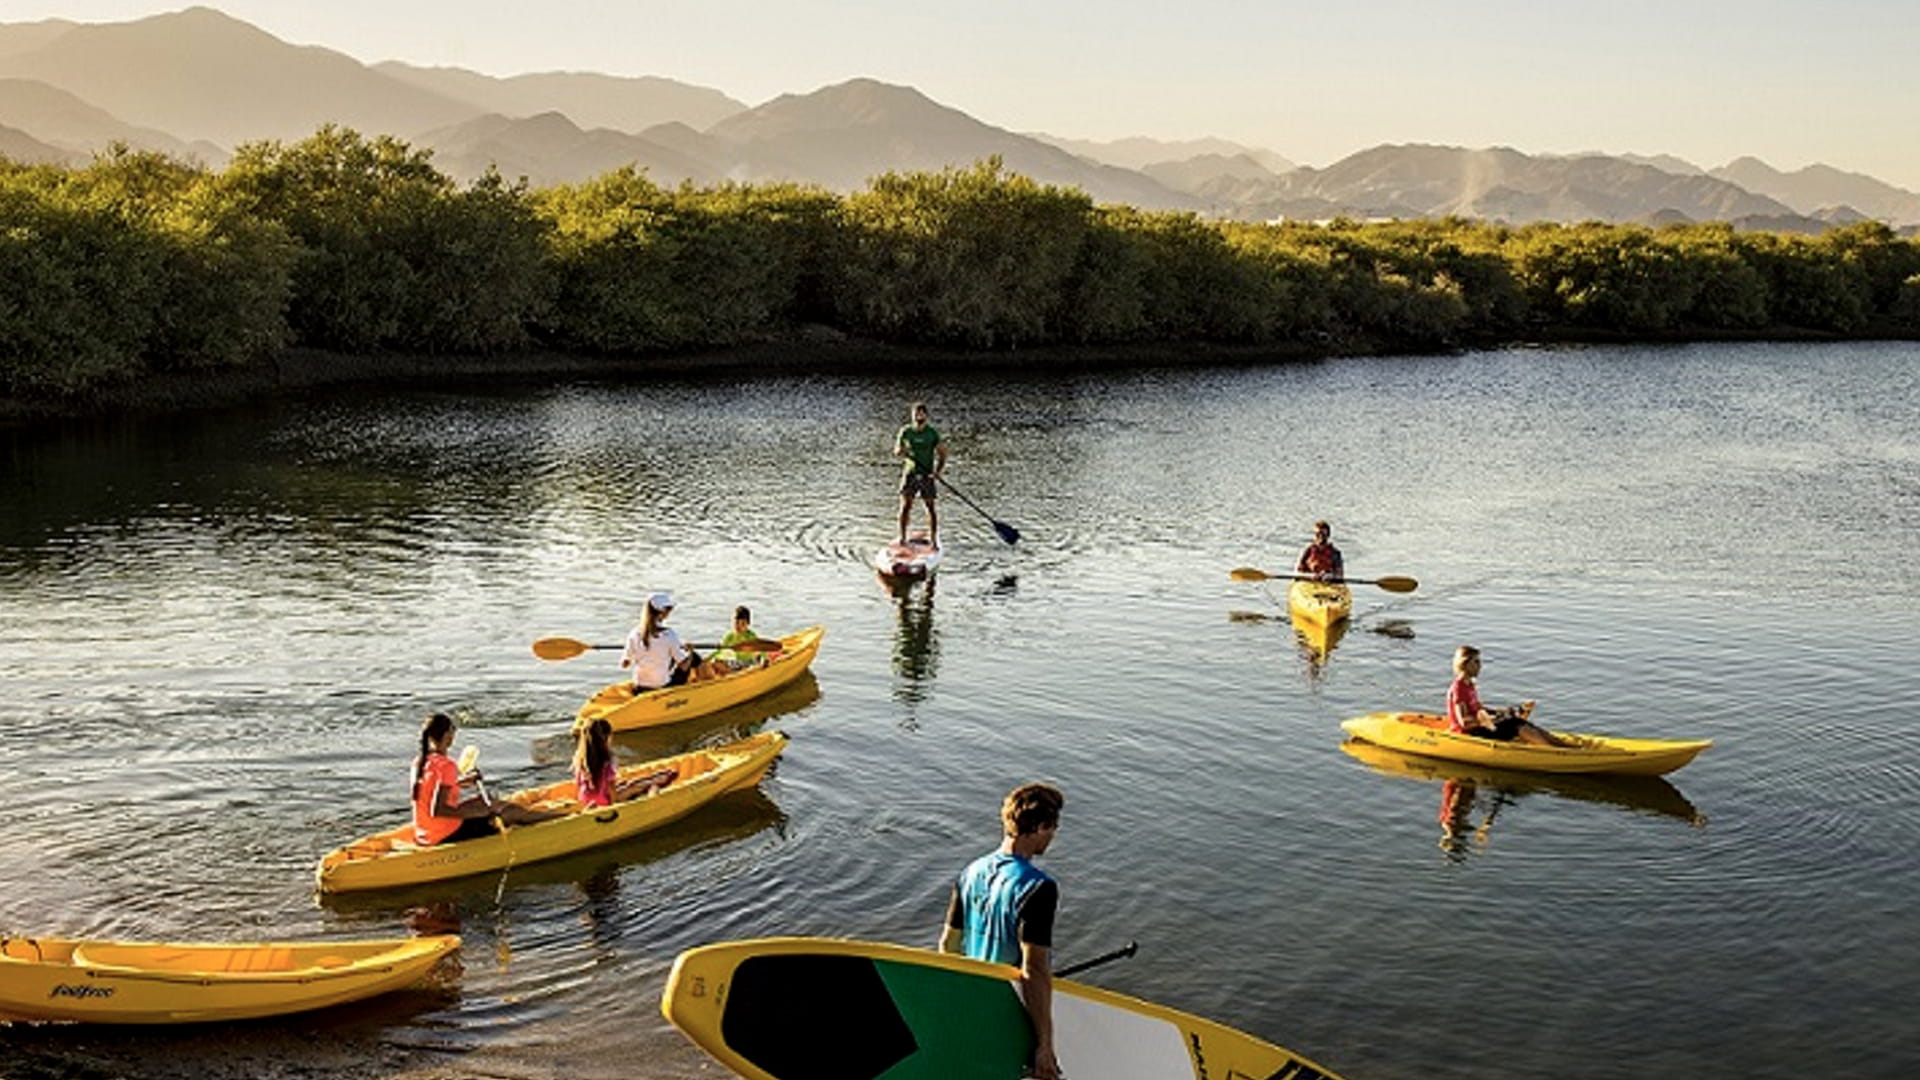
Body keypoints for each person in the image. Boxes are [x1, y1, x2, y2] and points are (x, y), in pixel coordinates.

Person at [939, 783, 1065, 1080]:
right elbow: (1033, 968)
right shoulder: (1038, 887)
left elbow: (948, 945)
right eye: (1053, 828)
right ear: (1040, 826)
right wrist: (1045, 1044)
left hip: (970, 1001)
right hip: (1007, 1011)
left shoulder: (970, 872)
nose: (1053, 836)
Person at [411, 712, 558, 846]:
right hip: (445, 834)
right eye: (452, 731)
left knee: (487, 800)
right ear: (447, 736)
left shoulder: (420, 762)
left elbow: (431, 792)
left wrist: (465, 781)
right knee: (511, 812)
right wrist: (478, 813)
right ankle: (560, 818)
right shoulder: (447, 766)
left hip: (425, 833)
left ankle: (536, 815)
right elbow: (438, 809)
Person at [1446, 645, 1563, 747]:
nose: (1480, 666)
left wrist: (1500, 713)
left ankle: (1563, 746)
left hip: (1480, 727)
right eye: (1476, 662)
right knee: (1515, 724)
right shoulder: (1459, 689)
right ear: (1465, 664)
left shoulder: (1469, 685)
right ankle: (1553, 751)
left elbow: (1478, 709)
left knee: (1516, 720)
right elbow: (1464, 723)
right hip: (1469, 733)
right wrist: (1490, 720)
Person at [571, 718, 676, 808]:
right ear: (606, 738)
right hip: (605, 800)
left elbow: (579, 783)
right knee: (633, 787)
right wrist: (615, 803)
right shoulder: (608, 760)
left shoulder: (579, 759)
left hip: (584, 798)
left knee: (624, 786)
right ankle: (659, 781)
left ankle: (593, 803)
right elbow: (610, 786)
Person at [621, 592, 714, 693]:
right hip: (661, 686)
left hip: (638, 686)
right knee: (693, 657)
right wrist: (690, 652)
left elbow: (625, 664)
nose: (670, 612)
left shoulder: (634, 633)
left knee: (672, 656)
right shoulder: (669, 634)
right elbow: (684, 666)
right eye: (669, 609)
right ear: (663, 611)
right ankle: (708, 687)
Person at [894, 401, 948, 548]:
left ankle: (933, 540)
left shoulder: (932, 433)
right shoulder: (906, 431)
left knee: (930, 507)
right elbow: (897, 450)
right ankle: (902, 538)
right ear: (912, 415)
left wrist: (937, 472)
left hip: (927, 475)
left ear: (926, 416)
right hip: (910, 473)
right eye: (916, 414)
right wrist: (900, 451)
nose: (919, 416)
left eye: (922, 414)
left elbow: (943, 454)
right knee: (905, 506)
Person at [709, 605, 771, 675]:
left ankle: (735, 674)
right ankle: (731, 673)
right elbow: (719, 652)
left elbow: (761, 649)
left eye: (743, 624)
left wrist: (765, 659)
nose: (739, 626)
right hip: (736, 662)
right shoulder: (730, 636)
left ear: (748, 624)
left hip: (748, 662)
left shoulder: (750, 636)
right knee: (716, 662)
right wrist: (708, 659)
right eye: (737, 623)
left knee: (756, 660)